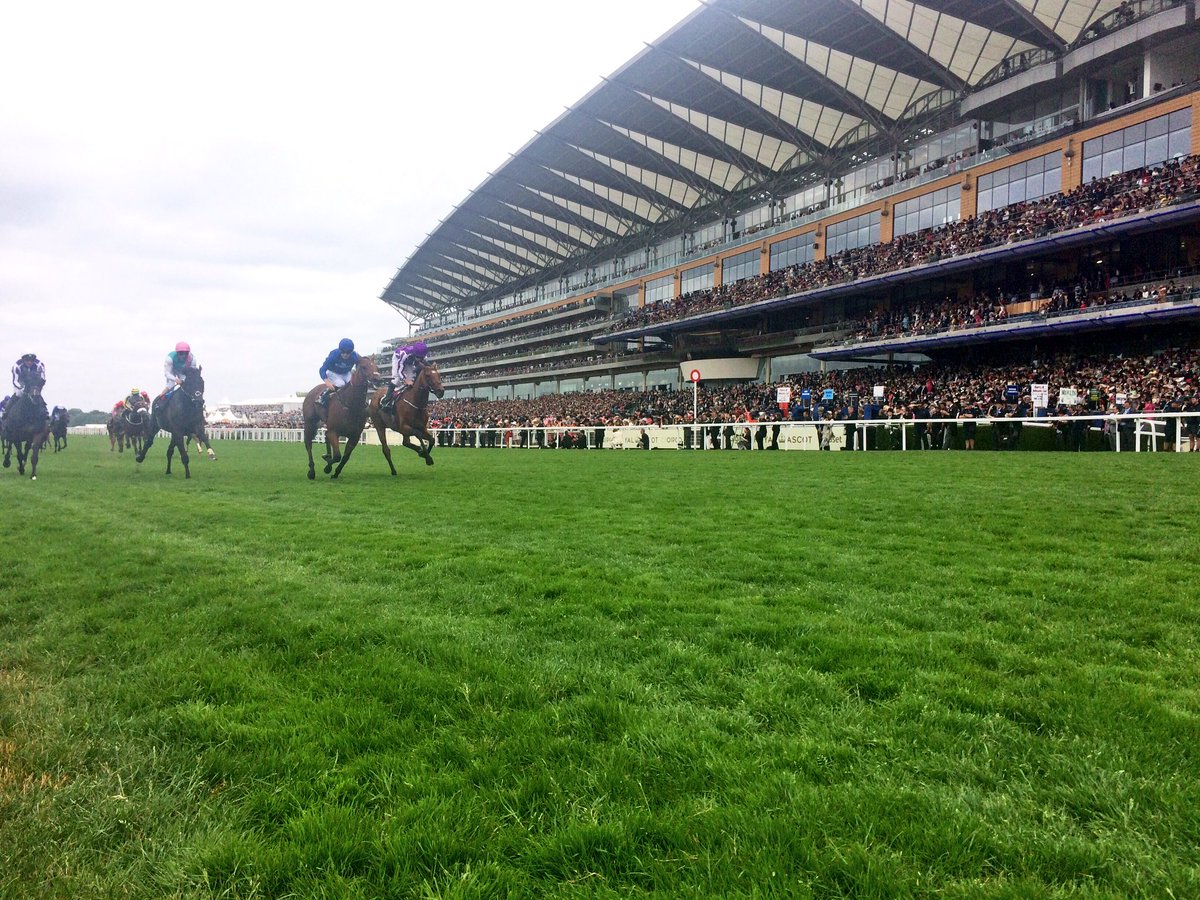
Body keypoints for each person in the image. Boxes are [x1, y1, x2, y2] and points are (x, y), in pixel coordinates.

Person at [383, 340, 429, 410]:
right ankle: (387, 400)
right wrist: (405, 379)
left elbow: (425, 364)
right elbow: (399, 369)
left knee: (412, 380)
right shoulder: (404, 354)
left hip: (409, 362)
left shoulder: (423, 355)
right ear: (414, 353)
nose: (420, 359)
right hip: (398, 360)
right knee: (397, 380)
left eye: (421, 357)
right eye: (418, 357)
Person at [317, 338, 359, 408]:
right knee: (341, 384)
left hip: (345, 373)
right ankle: (323, 396)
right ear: (340, 350)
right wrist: (327, 382)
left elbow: (360, 365)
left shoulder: (354, 356)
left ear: (351, 352)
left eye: (348, 352)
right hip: (332, 372)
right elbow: (322, 369)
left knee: (353, 383)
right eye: (343, 352)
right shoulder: (334, 355)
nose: (345, 354)